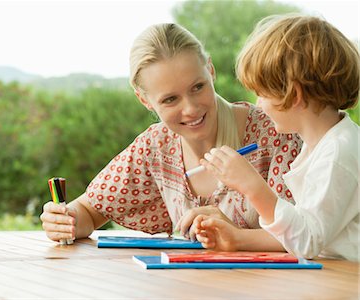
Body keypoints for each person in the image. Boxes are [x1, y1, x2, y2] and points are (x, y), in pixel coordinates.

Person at [40, 23, 302, 251]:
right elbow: (89, 210)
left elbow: (311, 233)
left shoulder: (275, 133)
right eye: (170, 99)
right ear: (144, 100)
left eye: (197, 87)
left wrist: (234, 233)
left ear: (210, 70)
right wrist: (65, 219)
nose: (190, 108)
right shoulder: (155, 147)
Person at [196, 14, 359, 261]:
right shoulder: (320, 145)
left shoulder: (338, 152)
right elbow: (305, 230)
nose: (258, 105)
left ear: (293, 95)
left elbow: (307, 241)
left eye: (261, 94)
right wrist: (237, 238)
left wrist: (252, 186)